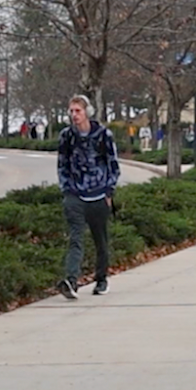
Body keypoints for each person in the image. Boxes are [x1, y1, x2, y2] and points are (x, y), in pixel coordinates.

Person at [56, 94, 120, 300]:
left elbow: (113, 165)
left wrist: (109, 192)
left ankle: (101, 279)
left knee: (100, 240)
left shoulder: (103, 135)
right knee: (76, 238)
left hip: (98, 194)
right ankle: (71, 281)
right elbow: (62, 164)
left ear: (87, 112)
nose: (74, 115)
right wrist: (67, 190)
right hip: (75, 194)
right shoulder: (67, 136)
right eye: (71, 111)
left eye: (78, 111)